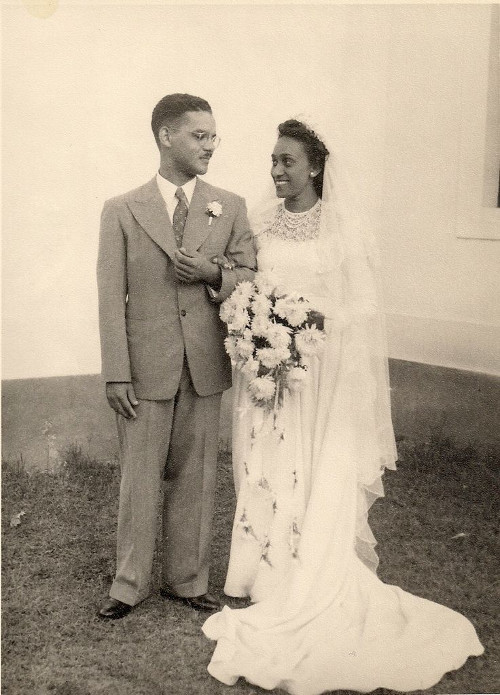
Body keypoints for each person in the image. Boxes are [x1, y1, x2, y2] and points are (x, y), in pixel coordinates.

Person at [202, 116, 483, 692]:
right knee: (266, 464)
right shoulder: (259, 222)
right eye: (273, 161)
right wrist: (250, 317)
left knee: (314, 468)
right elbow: (245, 281)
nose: (276, 171)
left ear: (315, 167)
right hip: (271, 372)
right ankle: (260, 573)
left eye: (287, 161)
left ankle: (306, 569)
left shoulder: (344, 226)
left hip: (321, 374)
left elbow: (363, 310)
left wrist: (304, 320)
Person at [96, 93, 256, 620]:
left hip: (206, 364)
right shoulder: (122, 209)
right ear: (166, 136)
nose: (211, 145)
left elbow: (251, 277)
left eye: (214, 136)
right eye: (200, 135)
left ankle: (187, 580)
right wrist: (117, 372)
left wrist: (214, 275)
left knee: (198, 474)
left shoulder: (228, 205)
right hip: (144, 368)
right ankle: (129, 583)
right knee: (139, 475)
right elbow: (110, 295)